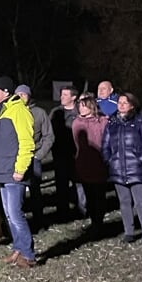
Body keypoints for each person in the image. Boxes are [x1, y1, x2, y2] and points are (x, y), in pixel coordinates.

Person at [0, 76, 37, 268]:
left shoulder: (19, 111)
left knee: (16, 214)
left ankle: (28, 254)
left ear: (6, 92)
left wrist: (20, 168)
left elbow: (27, 142)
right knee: (8, 214)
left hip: (13, 171)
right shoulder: (2, 112)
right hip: (2, 170)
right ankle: (18, 248)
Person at [102, 92, 142, 245]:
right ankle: (129, 232)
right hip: (117, 168)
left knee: (141, 202)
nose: (121, 105)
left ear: (132, 105)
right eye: (119, 102)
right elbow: (105, 144)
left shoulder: (141, 122)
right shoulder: (112, 123)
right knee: (124, 202)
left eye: (125, 103)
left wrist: (141, 159)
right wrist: (109, 160)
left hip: (136, 168)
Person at [15, 85, 55, 229]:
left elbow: (48, 136)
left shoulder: (39, 113)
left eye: (23, 94)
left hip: (33, 157)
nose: (20, 97)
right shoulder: (11, 112)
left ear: (29, 96)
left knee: (35, 190)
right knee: (15, 191)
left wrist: (39, 155)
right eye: (18, 94)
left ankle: (38, 219)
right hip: (15, 158)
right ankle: (18, 222)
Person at [71, 93, 109, 234]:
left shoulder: (102, 122)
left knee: (99, 194)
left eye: (84, 106)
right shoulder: (77, 123)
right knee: (89, 193)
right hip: (84, 162)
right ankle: (93, 220)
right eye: (80, 106)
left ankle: (99, 221)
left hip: (99, 162)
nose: (81, 109)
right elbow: (77, 141)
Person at [49, 85, 85, 220]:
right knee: (61, 183)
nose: (61, 97)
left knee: (79, 183)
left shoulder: (80, 112)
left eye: (65, 95)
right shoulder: (55, 112)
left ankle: (82, 209)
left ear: (73, 97)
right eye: (61, 94)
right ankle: (62, 211)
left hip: (77, 154)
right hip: (60, 154)